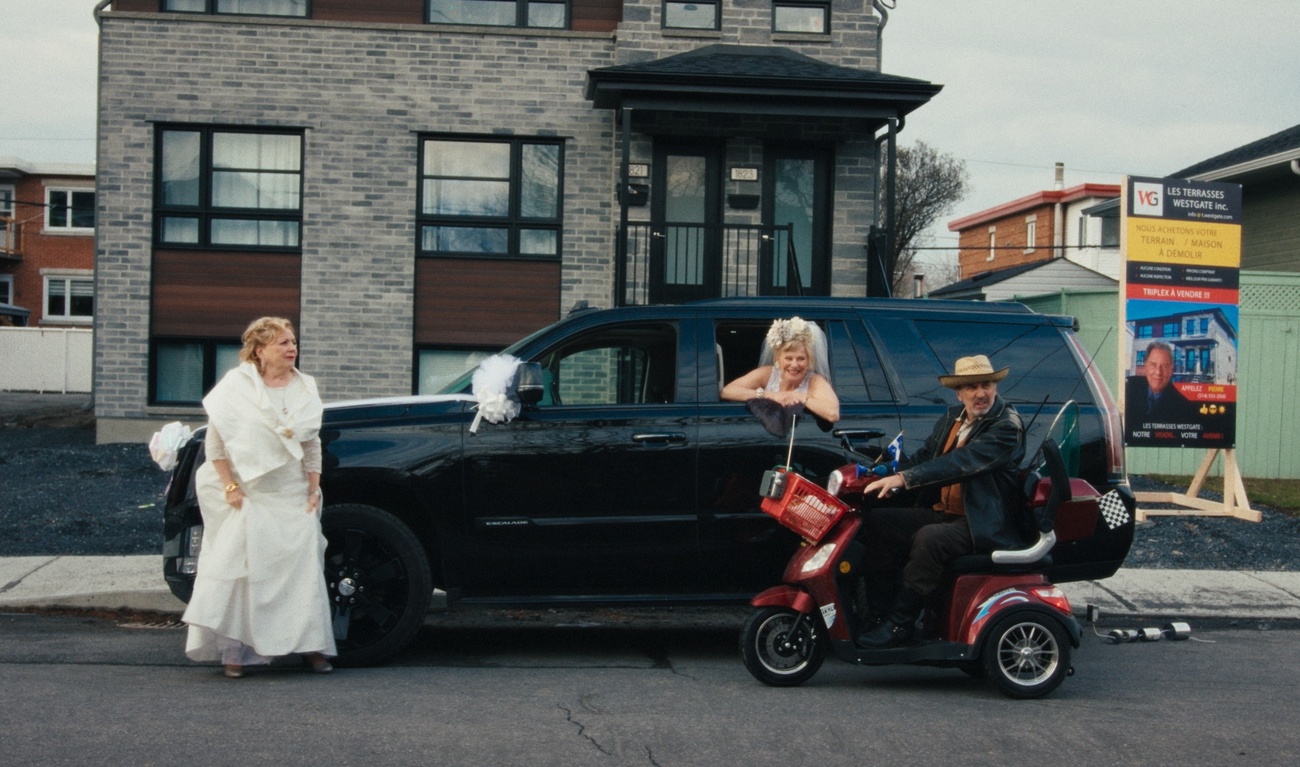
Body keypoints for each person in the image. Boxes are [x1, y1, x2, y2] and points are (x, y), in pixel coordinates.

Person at [182, 317, 337, 678]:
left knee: (302, 575)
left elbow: (311, 443)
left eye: (293, 341)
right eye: (282, 342)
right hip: (249, 491)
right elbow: (216, 442)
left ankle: (311, 646)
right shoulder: (236, 386)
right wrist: (229, 485)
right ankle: (235, 652)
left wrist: (314, 488)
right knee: (245, 573)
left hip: (292, 491)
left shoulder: (305, 388)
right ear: (260, 350)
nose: (291, 348)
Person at [855, 354, 1026, 648]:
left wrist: (904, 480)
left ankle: (900, 625)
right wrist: (883, 471)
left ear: (995, 387)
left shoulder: (1006, 426)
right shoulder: (952, 417)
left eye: (986, 385)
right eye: (971, 388)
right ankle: (878, 614)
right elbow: (927, 458)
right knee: (877, 521)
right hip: (946, 513)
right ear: (959, 393)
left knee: (929, 538)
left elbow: (962, 462)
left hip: (981, 522)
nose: (980, 394)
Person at [721, 316, 840, 425]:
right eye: (788, 358)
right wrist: (772, 395)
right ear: (778, 359)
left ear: (809, 361)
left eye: (801, 359)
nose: (794, 365)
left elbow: (832, 414)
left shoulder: (814, 381)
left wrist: (798, 396)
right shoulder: (767, 373)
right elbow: (727, 391)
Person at [1125, 341, 1195, 425]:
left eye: (1164, 366)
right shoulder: (1129, 387)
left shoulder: (1183, 406)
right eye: (1153, 365)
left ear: (1171, 370)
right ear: (1146, 367)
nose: (1158, 372)